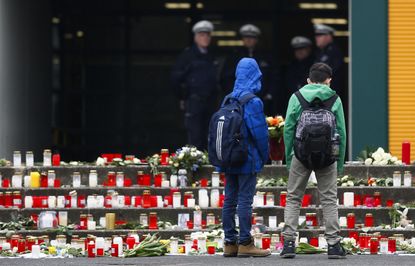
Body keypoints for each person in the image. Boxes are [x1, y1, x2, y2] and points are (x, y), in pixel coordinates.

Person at [281, 63, 346, 259]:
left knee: (294, 197)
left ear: (308, 80)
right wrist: (339, 161)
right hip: (327, 157)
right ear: (329, 81)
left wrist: (290, 158)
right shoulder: (335, 98)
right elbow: (341, 132)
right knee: (328, 199)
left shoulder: (297, 97)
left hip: (301, 155)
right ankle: (334, 245)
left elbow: (288, 129)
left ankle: (289, 243)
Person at [221, 58, 270, 258]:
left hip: (229, 157)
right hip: (247, 158)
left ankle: (229, 242)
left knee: (229, 200)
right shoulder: (253, 101)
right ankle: (245, 242)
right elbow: (259, 133)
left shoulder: (228, 99)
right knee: (244, 201)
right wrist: (265, 155)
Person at [171, 20, 218, 150]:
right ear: (196, 37)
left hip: (210, 102)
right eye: (202, 35)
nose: (206, 38)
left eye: (208, 35)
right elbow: (176, 79)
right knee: (195, 137)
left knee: (210, 135)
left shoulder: (211, 56)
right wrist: (182, 97)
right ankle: (195, 166)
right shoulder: (187, 56)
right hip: (194, 101)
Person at [221, 24, 275, 115]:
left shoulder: (265, 57)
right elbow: (225, 78)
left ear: (257, 39)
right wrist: (234, 95)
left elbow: (273, 77)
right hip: (239, 102)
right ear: (242, 39)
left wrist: (269, 95)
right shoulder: (234, 56)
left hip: (262, 100)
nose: (249, 40)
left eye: (252, 37)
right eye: (246, 37)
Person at [282, 36, 314, 116]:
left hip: (311, 103)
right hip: (294, 102)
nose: (299, 52)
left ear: (309, 49)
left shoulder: (315, 65)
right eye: (297, 49)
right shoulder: (291, 66)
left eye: (302, 49)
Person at [314, 24, 345, 98]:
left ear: (329, 37)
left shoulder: (334, 52)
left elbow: (330, 72)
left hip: (331, 93)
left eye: (320, 35)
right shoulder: (320, 52)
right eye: (316, 35)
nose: (316, 38)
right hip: (321, 92)